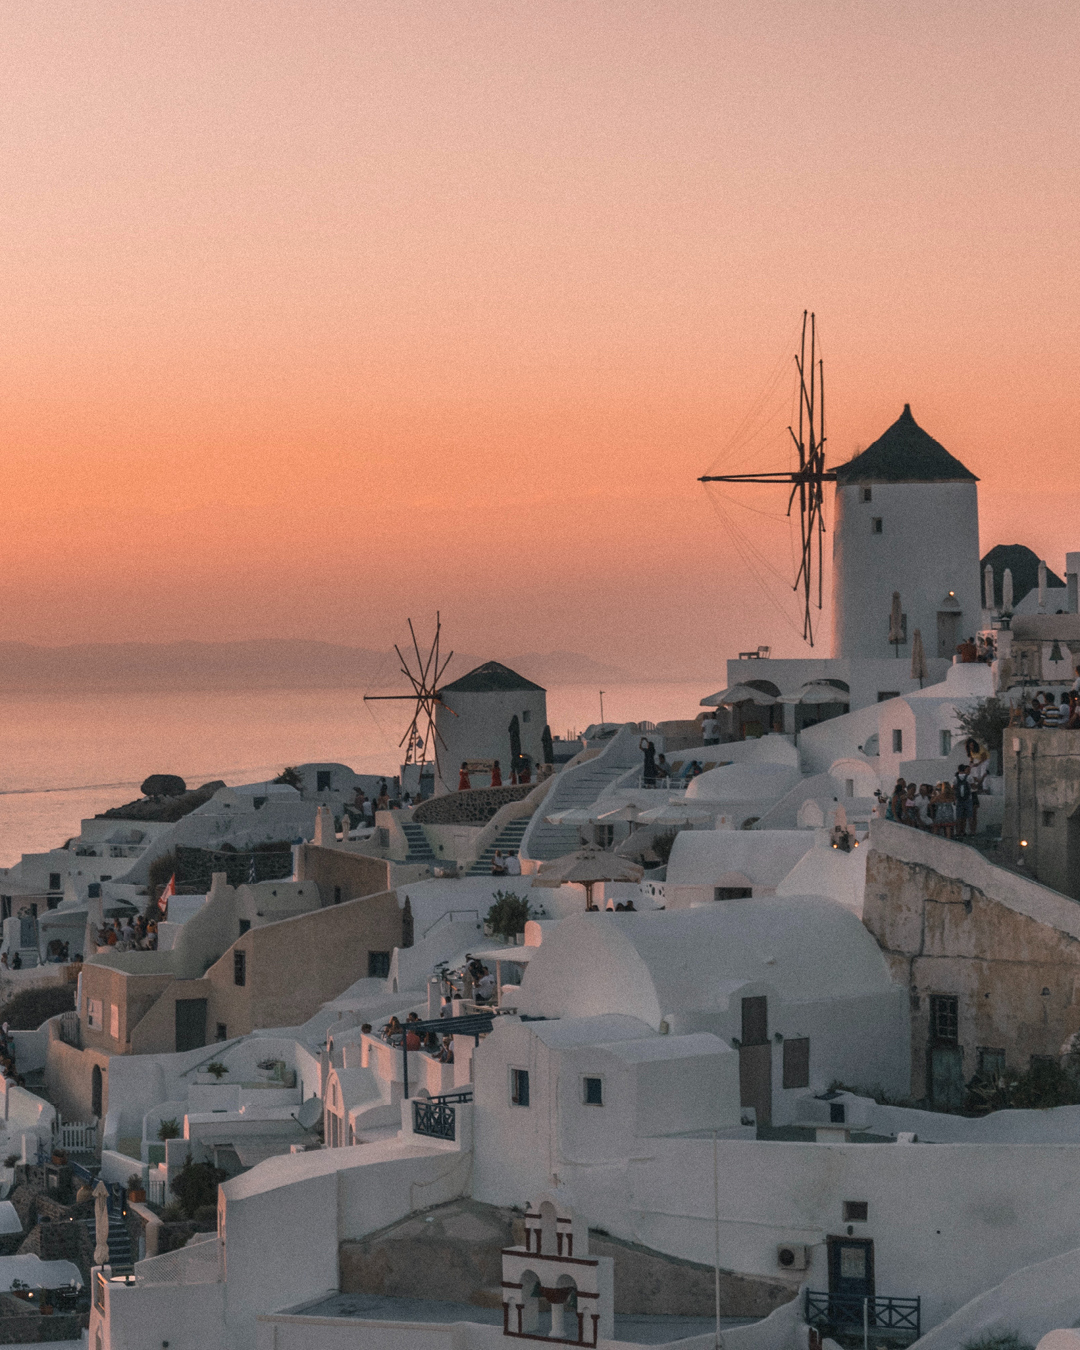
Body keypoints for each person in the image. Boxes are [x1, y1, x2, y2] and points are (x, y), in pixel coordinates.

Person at [953, 763, 974, 837]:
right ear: (964, 769)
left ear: (958, 770)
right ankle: (972, 832)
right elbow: (973, 786)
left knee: (959, 817)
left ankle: (958, 832)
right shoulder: (969, 777)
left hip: (959, 800)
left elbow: (954, 788)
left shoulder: (955, 778)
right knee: (970, 816)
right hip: (968, 799)